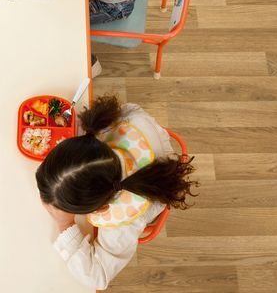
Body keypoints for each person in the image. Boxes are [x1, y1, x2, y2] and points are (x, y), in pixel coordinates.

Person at [36, 95, 197, 290]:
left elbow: (98, 278)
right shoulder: (127, 122)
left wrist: (65, 224)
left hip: (156, 187)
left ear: (101, 206)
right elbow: (132, 108)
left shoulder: (122, 226)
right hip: (148, 145)